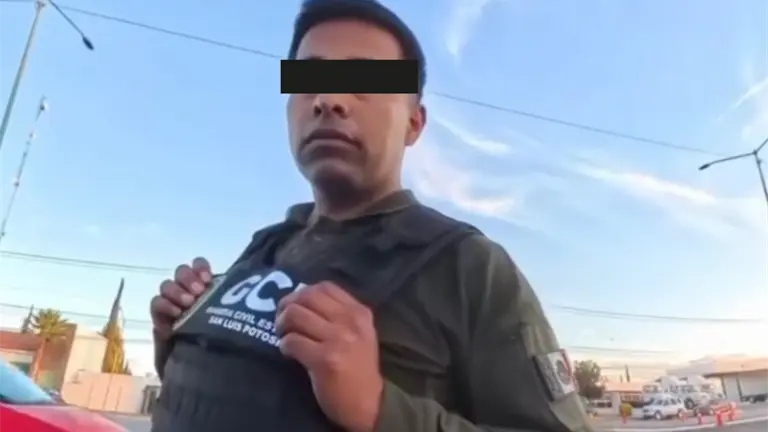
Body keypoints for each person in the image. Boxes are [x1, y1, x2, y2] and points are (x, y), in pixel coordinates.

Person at [149, 0, 594, 431]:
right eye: (308, 80)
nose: (328, 99)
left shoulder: (469, 267)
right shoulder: (267, 244)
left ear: (414, 124)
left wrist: (379, 407)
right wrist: (177, 340)